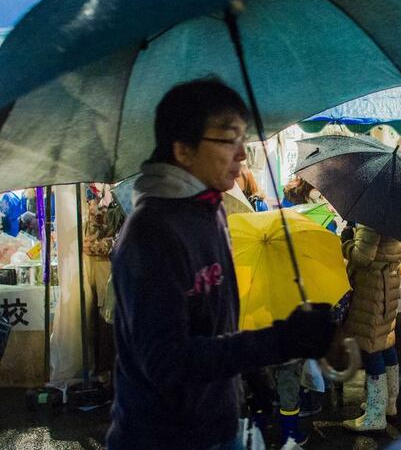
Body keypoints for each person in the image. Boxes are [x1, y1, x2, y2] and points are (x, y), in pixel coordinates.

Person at [107, 78, 335, 450]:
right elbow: (167, 361)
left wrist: (251, 379)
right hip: (163, 439)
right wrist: (279, 341)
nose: (242, 155)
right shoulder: (151, 233)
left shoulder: (209, 211)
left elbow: (214, 325)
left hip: (218, 425)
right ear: (183, 150)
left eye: (243, 139)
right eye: (229, 139)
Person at [340, 223, 401, 432]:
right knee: (385, 342)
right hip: (387, 286)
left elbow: (362, 257)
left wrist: (346, 242)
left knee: (372, 348)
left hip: (372, 290)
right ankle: (388, 403)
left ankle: (375, 415)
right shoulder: (393, 217)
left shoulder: (372, 220)